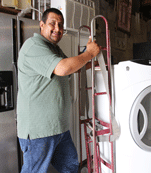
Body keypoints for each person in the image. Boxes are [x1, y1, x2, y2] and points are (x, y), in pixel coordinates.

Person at [17, 8, 100, 173]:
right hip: (39, 132)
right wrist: (89, 54)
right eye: (52, 24)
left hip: (59, 129)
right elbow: (62, 68)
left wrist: (92, 59)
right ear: (41, 25)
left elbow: (71, 67)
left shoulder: (53, 48)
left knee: (70, 167)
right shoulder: (34, 45)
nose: (57, 29)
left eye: (60, 25)